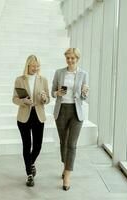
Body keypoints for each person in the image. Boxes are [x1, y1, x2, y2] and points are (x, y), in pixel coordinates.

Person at [51, 48, 89, 191]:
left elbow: (84, 96)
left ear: (77, 59)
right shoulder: (59, 72)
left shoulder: (83, 74)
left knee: (72, 144)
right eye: (68, 58)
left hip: (76, 112)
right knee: (64, 142)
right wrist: (57, 92)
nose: (70, 60)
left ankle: (67, 175)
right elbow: (52, 93)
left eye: (73, 58)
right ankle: (66, 165)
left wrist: (84, 93)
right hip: (61, 110)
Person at [12, 55, 50, 187]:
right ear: (28, 65)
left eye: (37, 65)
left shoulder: (43, 80)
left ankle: (31, 163)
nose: (35, 68)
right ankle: (29, 174)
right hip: (24, 117)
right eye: (33, 65)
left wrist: (45, 98)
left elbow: (48, 100)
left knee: (38, 146)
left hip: (38, 115)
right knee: (27, 145)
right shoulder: (20, 80)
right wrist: (23, 101)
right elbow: (14, 99)